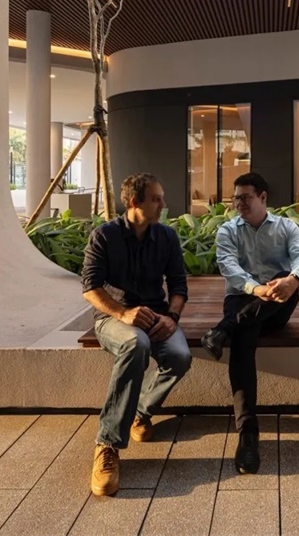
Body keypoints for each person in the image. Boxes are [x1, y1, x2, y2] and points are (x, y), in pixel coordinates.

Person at [82, 172, 191, 496]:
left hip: (157, 314)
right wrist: (123, 313)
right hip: (113, 317)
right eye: (156, 199)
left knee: (180, 356)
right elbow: (90, 288)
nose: (163, 204)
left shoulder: (166, 236)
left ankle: (139, 413)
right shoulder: (104, 236)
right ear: (134, 202)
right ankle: (107, 445)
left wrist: (172, 317)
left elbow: (179, 285)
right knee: (136, 343)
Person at [200, 172, 299, 475]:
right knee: (244, 338)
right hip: (242, 298)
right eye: (236, 198)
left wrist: (292, 280)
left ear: (263, 198)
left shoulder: (286, 227)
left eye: (246, 197)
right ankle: (247, 435)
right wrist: (256, 289)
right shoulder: (227, 230)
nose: (239, 203)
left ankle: (222, 330)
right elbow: (229, 267)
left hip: (278, 303)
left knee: (286, 284)